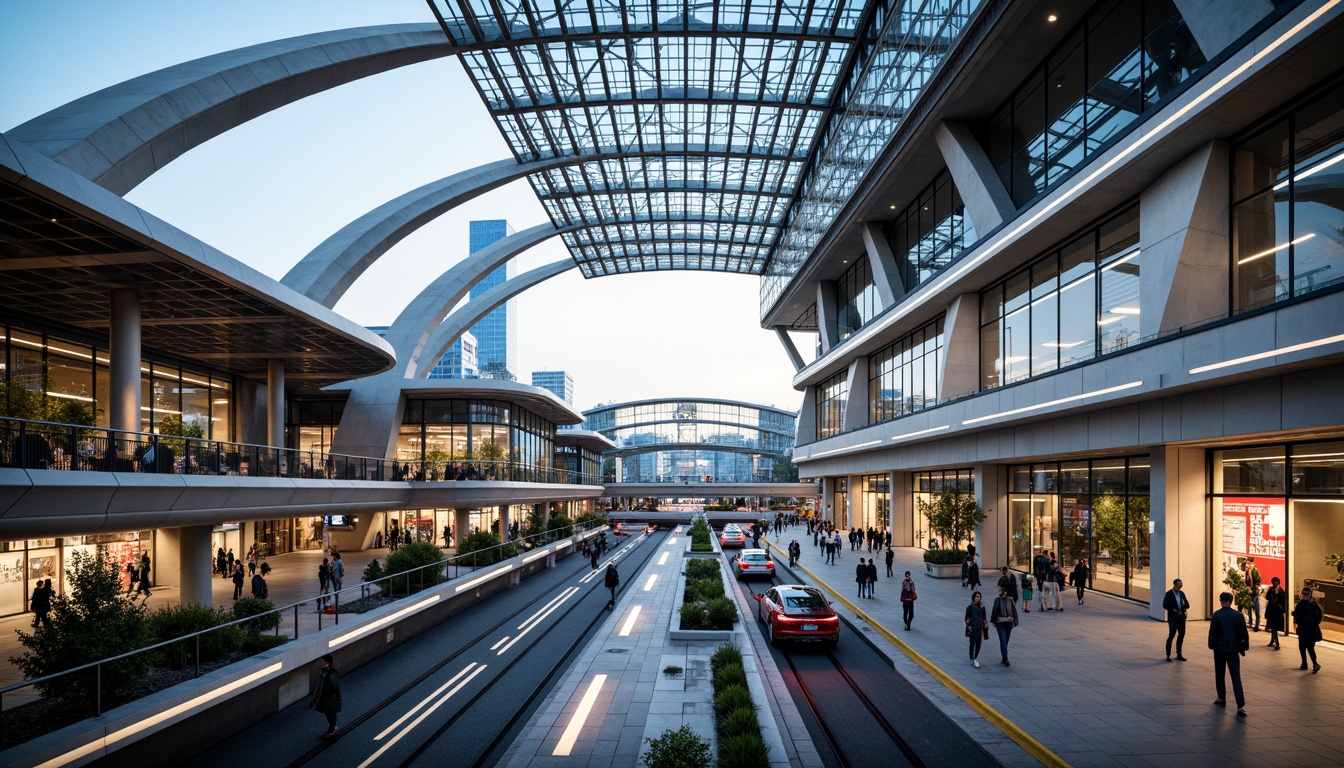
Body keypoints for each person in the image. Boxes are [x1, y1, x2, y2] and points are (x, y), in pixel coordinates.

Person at [1209, 591, 1249, 715]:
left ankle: (1221, 697)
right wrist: (1242, 647)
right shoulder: (1238, 616)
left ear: (1221, 601)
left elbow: (1213, 633)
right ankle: (1240, 705)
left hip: (1220, 650)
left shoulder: (1216, 615)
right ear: (1231, 601)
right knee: (1236, 677)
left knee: (1220, 674)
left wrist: (1212, 645)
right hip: (1233, 650)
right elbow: (1244, 634)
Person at [308, 654, 341, 737]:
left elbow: (333, 686)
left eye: (323, 661)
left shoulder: (331, 673)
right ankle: (332, 728)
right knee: (329, 713)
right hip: (326, 696)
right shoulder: (324, 671)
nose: (322, 662)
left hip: (329, 698)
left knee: (330, 713)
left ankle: (332, 730)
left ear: (327, 662)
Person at [1292, 586, 1322, 673]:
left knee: (1310, 647)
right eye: (1303, 594)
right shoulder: (1301, 604)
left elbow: (1318, 618)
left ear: (1310, 595)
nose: (1305, 596)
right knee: (1302, 647)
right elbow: (1297, 615)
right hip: (1303, 629)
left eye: (1306, 594)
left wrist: (1309, 619)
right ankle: (1304, 663)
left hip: (1310, 630)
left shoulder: (1313, 605)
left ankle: (1315, 663)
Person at [990, 585, 1019, 666]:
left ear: (1005, 592)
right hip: (1000, 623)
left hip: (1008, 623)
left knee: (1005, 640)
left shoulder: (1010, 600)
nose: (999, 592)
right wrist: (993, 620)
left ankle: (1004, 656)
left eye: (1001, 590)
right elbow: (994, 610)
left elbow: (1014, 610)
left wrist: (1015, 620)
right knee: (1003, 640)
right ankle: (1005, 658)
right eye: (999, 591)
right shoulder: (997, 600)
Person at [1163, 578, 1190, 661]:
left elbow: (1187, 604)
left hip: (1181, 617)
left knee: (1181, 634)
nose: (1181, 586)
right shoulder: (1169, 594)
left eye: (1181, 584)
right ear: (1175, 585)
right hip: (1173, 618)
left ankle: (1179, 653)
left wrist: (1185, 606)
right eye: (1179, 584)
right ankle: (1168, 654)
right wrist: (1173, 609)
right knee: (1172, 635)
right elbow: (1165, 605)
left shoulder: (1182, 593)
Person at [965, 591, 988, 668]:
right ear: (973, 598)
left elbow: (984, 617)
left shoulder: (982, 607)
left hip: (979, 628)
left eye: (979, 596)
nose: (978, 598)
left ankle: (975, 657)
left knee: (978, 645)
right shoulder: (970, 607)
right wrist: (969, 625)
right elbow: (967, 618)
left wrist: (985, 624)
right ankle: (971, 658)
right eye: (976, 596)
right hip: (973, 629)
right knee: (972, 644)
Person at [1264, 576, 1287, 650]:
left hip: (1277, 611)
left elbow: (1283, 600)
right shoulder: (1271, 590)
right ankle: (1272, 641)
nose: (1275, 583)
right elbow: (1267, 597)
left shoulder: (1280, 591)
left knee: (1275, 627)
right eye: (1274, 582)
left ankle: (1276, 642)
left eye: (1276, 581)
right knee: (1273, 627)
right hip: (1271, 611)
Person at [1243, 558, 1262, 631]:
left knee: (1256, 609)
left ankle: (1256, 625)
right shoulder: (1247, 573)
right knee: (1249, 608)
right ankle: (1251, 622)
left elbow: (1258, 580)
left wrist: (1254, 587)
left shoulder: (1254, 571)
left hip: (1254, 592)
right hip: (1250, 592)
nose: (1246, 568)